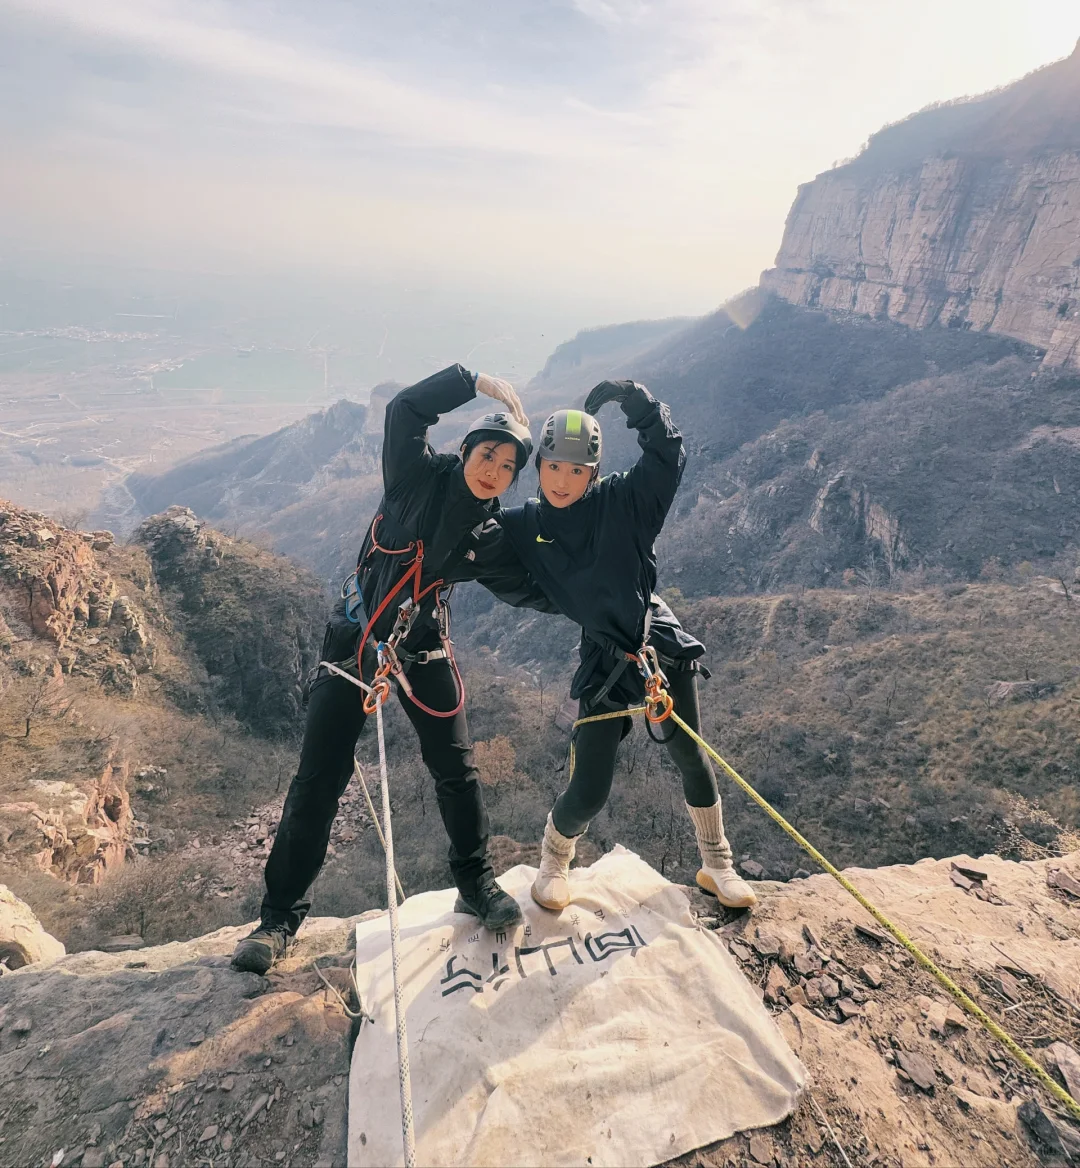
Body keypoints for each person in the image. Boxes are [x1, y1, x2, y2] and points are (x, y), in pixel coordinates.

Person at [232, 364, 552, 974]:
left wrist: (619, 610)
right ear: (465, 451)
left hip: (421, 649)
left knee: (456, 771)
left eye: (508, 467)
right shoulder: (411, 479)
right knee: (317, 782)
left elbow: (533, 590)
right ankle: (276, 920)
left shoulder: (487, 535)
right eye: (488, 454)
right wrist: (470, 379)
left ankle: (475, 883)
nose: (495, 470)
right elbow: (405, 410)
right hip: (355, 642)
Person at [499, 380, 757, 914]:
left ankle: (717, 864)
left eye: (577, 470)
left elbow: (667, 454)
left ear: (593, 473)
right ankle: (553, 863)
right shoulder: (525, 525)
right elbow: (475, 550)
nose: (563, 480)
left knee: (690, 753)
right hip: (602, 659)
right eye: (553, 467)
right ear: (538, 465)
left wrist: (637, 401)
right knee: (590, 786)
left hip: (652, 642)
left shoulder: (624, 502)